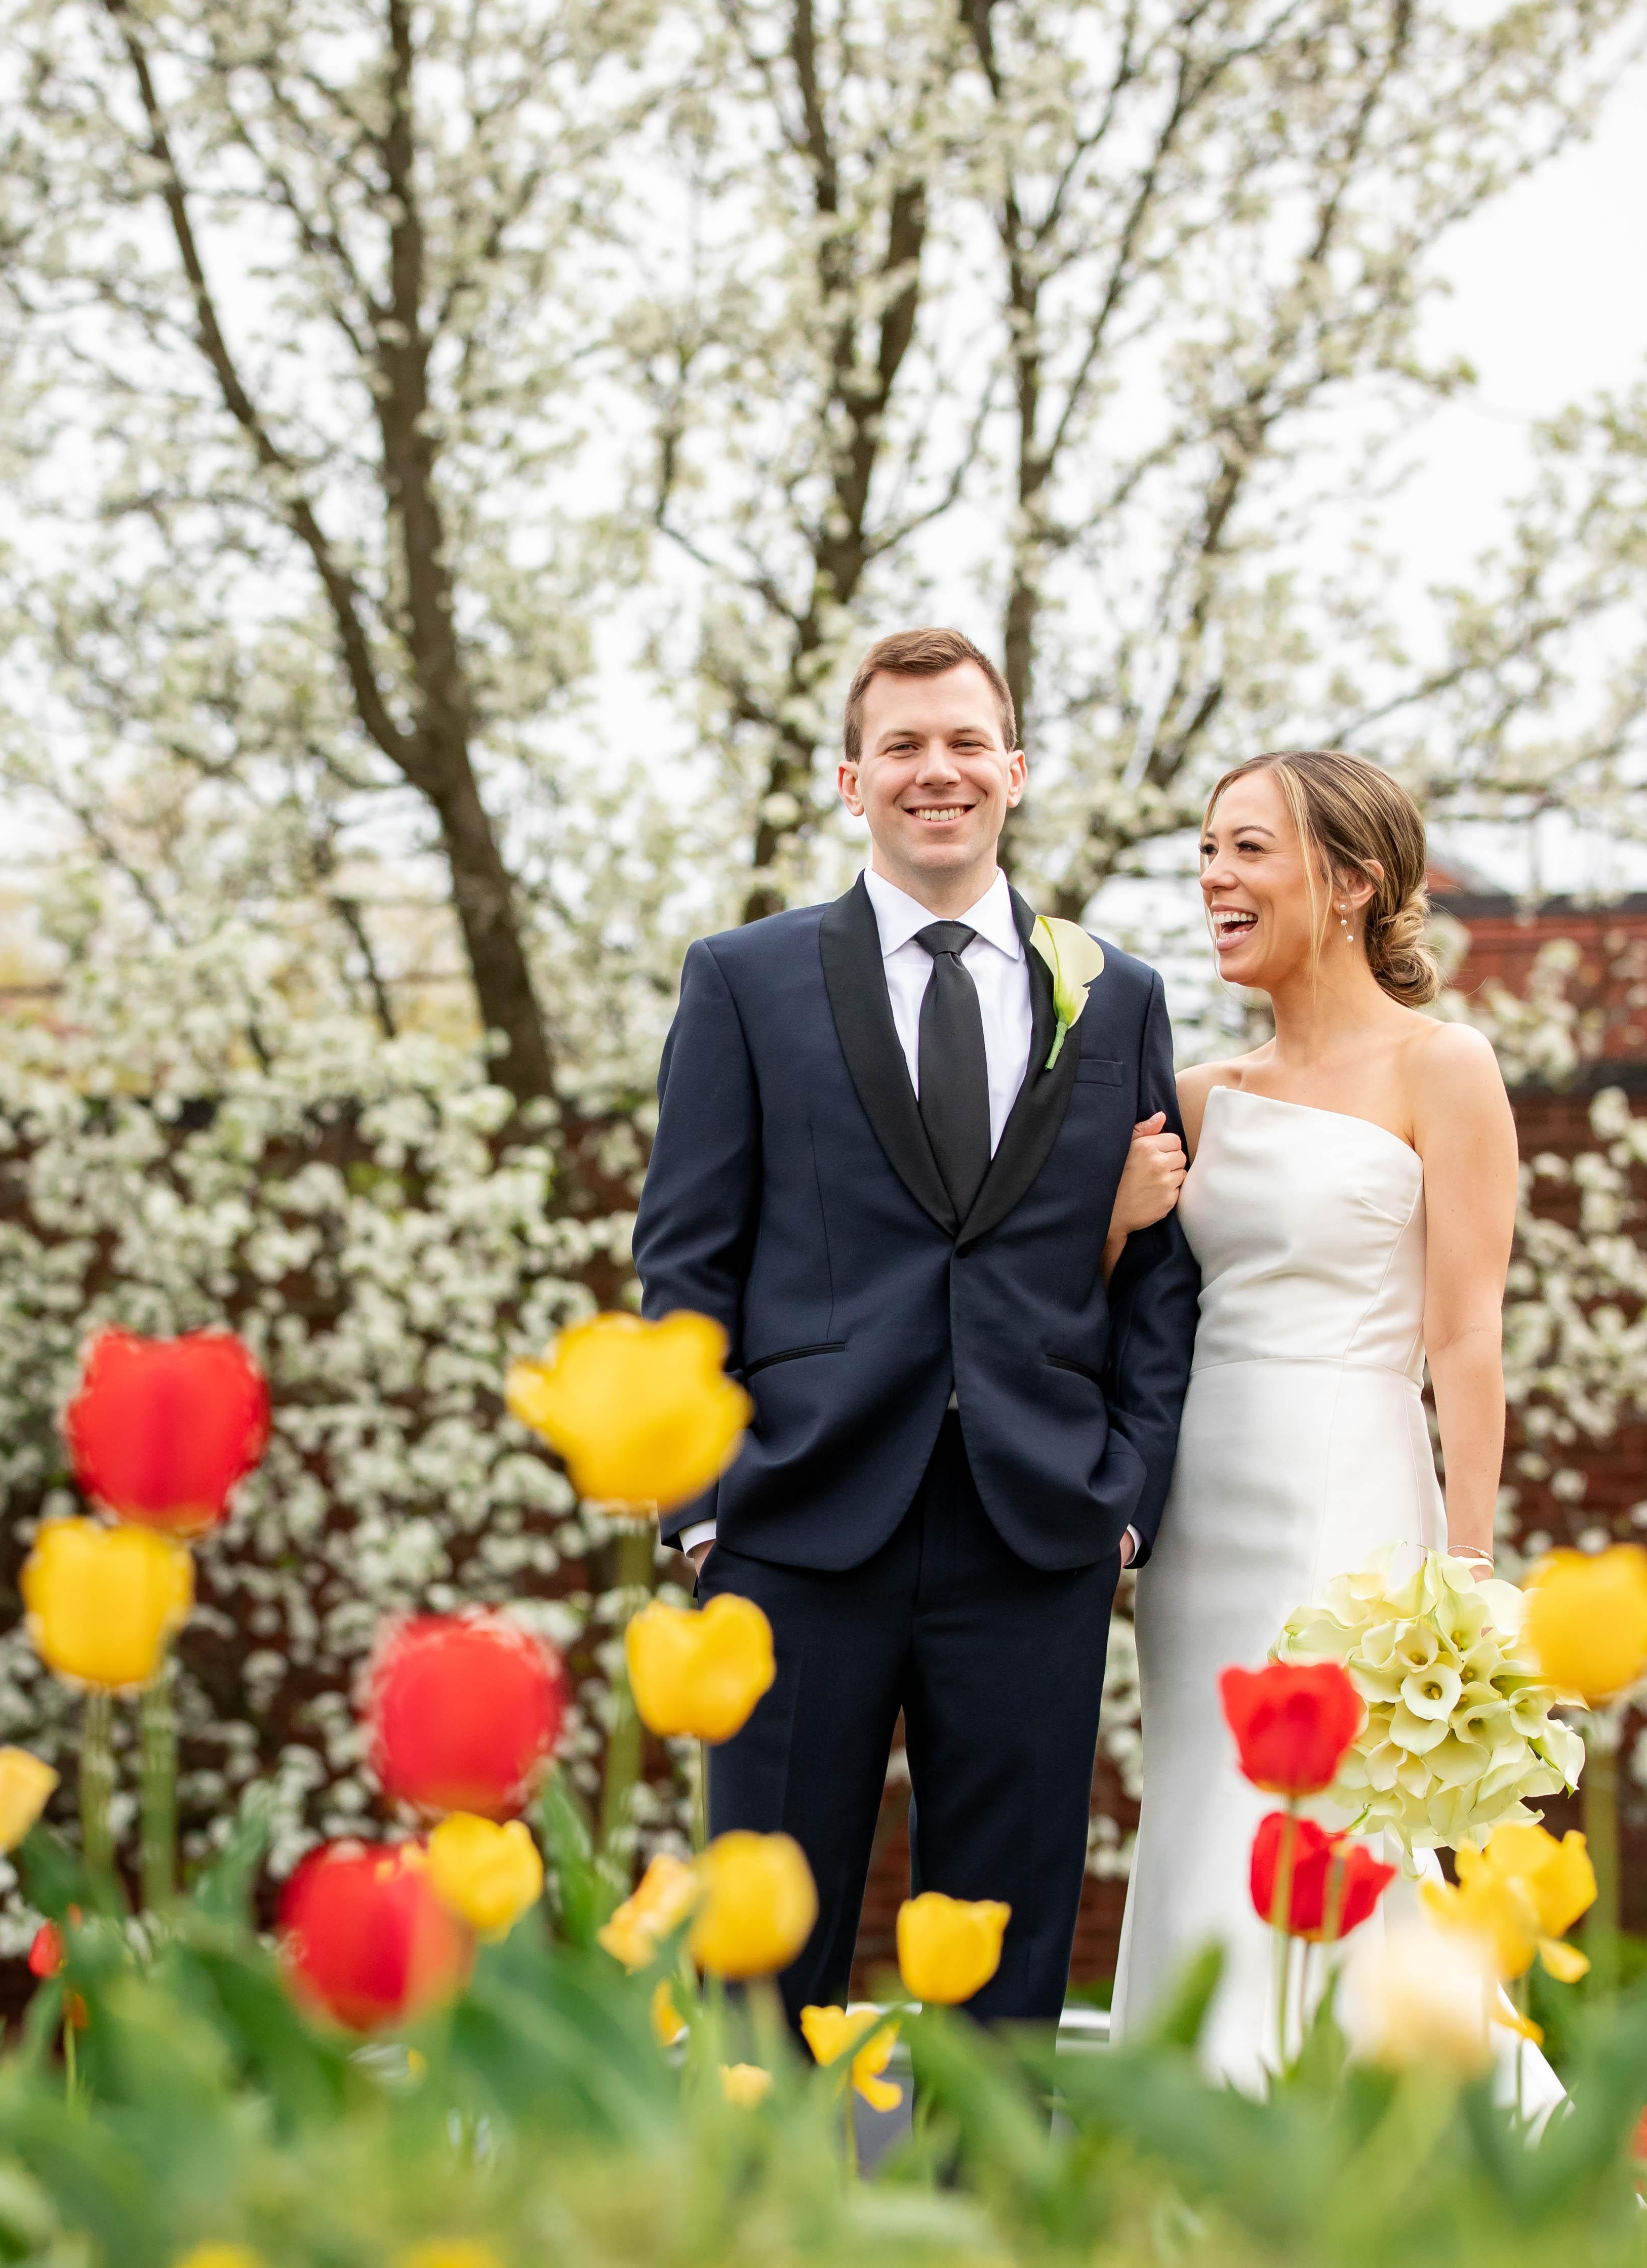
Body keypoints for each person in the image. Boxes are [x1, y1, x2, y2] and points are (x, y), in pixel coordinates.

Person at [632, 627, 1200, 2029]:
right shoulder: (745, 979)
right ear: (851, 781)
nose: (935, 771)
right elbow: (686, 1260)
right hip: (793, 1526)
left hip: (1035, 1531)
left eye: (964, 743)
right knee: (761, 1966)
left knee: (1003, 1975)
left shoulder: (1116, 993)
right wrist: (705, 1513)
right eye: (902, 746)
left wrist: (1126, 1501)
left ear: (1016, 770)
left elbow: (1157, 1272)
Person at [1104, 747, 1560, 2103]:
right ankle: (1195, 2140)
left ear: (1352, 882)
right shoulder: (1199, 1096)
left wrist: (1468, 1571)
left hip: (1351, 1499)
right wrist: (1117, 1222)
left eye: (1249, 849)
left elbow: (1465, 1336)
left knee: (1346, 1831)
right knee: (1206, 1811)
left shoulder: (1445, 1067)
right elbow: (1119, 1315)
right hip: (1202, 1514)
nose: (1214, 877)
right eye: (1207, 850)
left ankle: (1377, 2140)